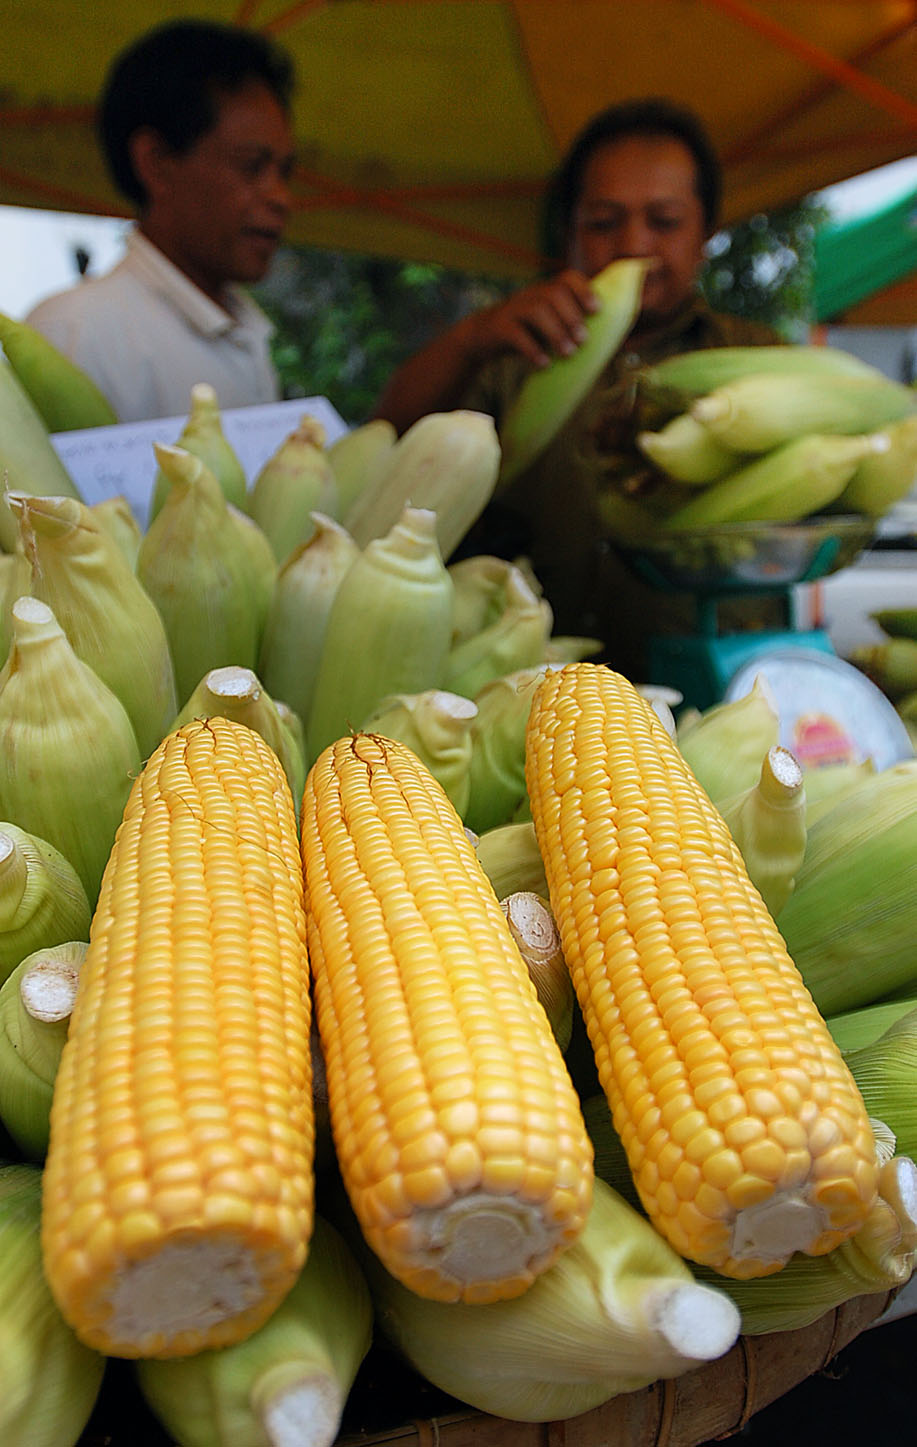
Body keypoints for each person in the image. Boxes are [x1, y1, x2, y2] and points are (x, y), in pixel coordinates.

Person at [374, 98, 783, 683]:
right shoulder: (516, 352)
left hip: (714, 688)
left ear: (705, 234)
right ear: (569, 232)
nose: (633, 244)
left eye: (663, 221)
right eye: (603, 222)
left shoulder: (760, 361)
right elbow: (386, 445)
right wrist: (471, 339)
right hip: (531, 694)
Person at [26, 20, 296, 423]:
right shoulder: (77, 336)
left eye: (284, 172)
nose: (281, 197)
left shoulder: (249, 335)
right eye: (251, 166)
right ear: (155, 163)